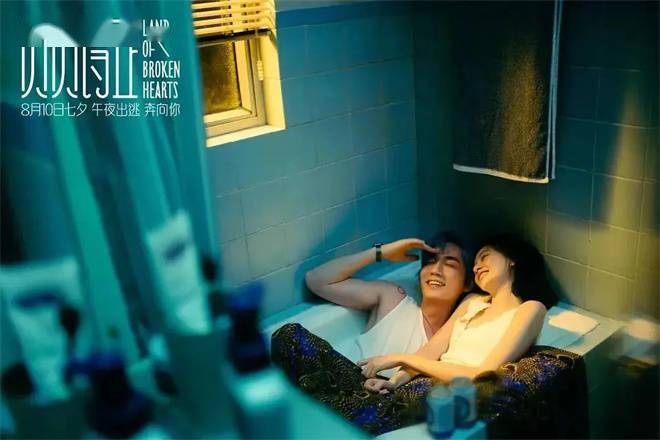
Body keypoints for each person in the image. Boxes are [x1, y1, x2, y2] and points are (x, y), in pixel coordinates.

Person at [359, 234, 557, 393]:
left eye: (485, 257)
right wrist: (394, 382)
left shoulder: (531, 308)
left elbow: (482, 375)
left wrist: (400, 357)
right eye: (474, 264)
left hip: (460, 395)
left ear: (511, 260)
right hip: (425, 387)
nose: (476, 267)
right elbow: (430, 351)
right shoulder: (472, 301)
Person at [303, 232, 473, 373]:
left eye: (450, 264)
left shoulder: (458, 340)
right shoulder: (394, 299)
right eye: (430, 262)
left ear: (467, 283)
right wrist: (380, 252)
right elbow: (316, 280)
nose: (436, 270)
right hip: (345, 383)